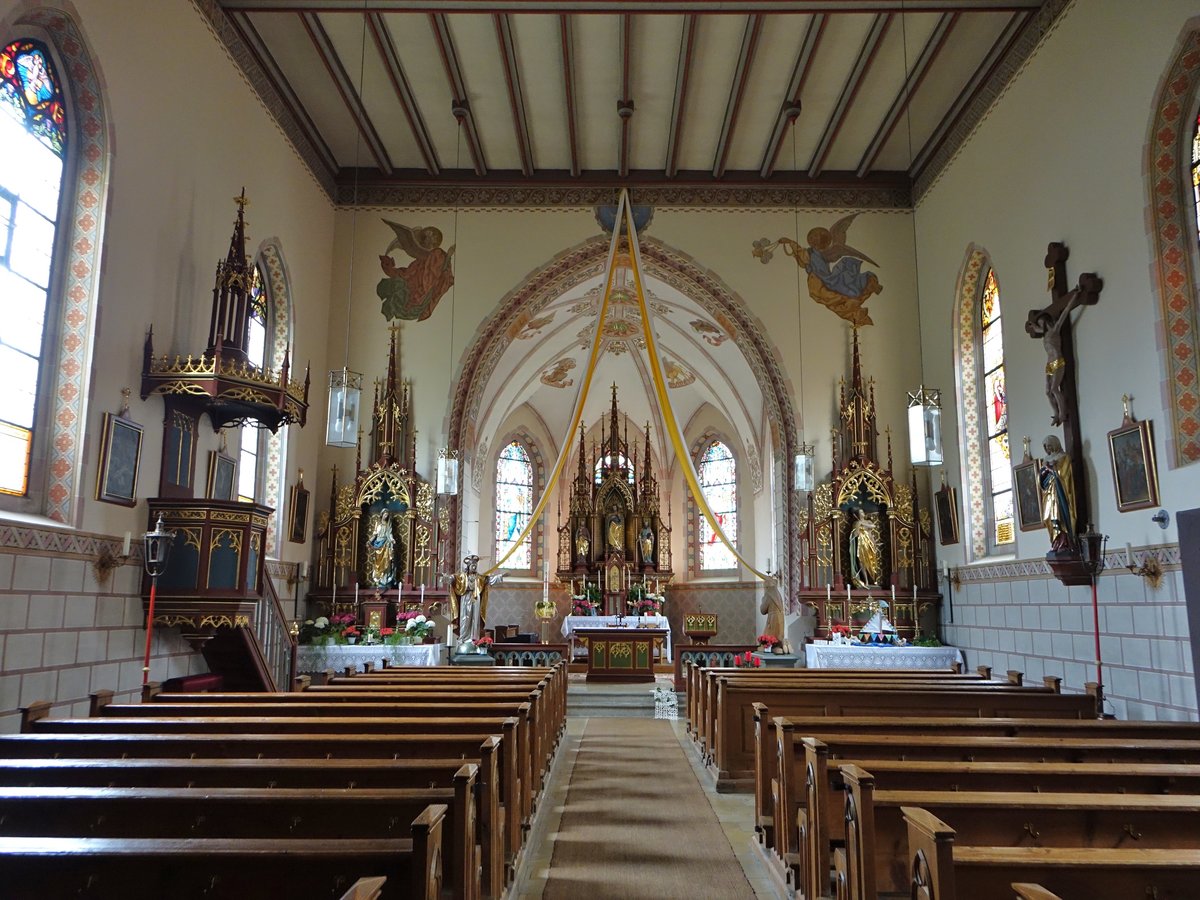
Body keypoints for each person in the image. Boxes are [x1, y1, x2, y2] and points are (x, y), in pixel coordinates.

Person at [448, 554, 503, 651]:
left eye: (475, 566)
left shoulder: (479, 577)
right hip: (465, 598)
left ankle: (474, 640)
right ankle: (463, 640)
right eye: (472, 566)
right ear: (468, 566)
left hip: (476, 598)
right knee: (465, 619)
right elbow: (453, 579)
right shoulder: (462, 576)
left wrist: (499, 577)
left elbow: (489, 580)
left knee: (475, 620)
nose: (474, 567)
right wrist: (446, 578)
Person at [1039, 434, 1076, 550]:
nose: (1048, 449)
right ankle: (1055, 540)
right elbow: (1040, 480)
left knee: (1060, 515)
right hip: (1049, 493)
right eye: (1046, 447)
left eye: (1049, 446)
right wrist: (1044, 472)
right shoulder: (1045, 460)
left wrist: (1052, 469)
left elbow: (1064, 474)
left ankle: (1065, 540)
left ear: (1055, 444)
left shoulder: (1064, 457)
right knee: (1049, 516)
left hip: (1060, 492)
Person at [848, 507, 882, 588]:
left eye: (863, 512)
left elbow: (872, 528)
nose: (862, 514)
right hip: (861, 545)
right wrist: (858, 525)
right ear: (857, 515)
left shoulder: (868, 521)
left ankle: (874, 580)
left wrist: (875, 544)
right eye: (860, 512)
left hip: (869, 544)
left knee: (871, 562)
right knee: (862, 562)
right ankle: (866, 581)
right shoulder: (856, 523)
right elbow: (855, 534)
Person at [759, 572, 791, 653]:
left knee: (770, 636)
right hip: (780, 618)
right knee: (779, 634)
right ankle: (780, 646)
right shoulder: (778, 594)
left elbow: (763, 610)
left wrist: (763, 599)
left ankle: (772, 646)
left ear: (766, 586)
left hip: (773, 619)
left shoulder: (768, 595)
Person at [365, 508, 396, 587]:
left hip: (386, 544)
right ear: (382, 514)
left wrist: (392, 540)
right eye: (385, 514)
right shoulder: (378, 524)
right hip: (378, 545)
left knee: (386, 562)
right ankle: (378, 579)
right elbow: (375, 535)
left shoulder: (388, 524)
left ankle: (385, 580)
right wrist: (369, 541)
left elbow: (390, 534)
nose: (386, 516)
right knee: (377, 563)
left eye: (387, 515)